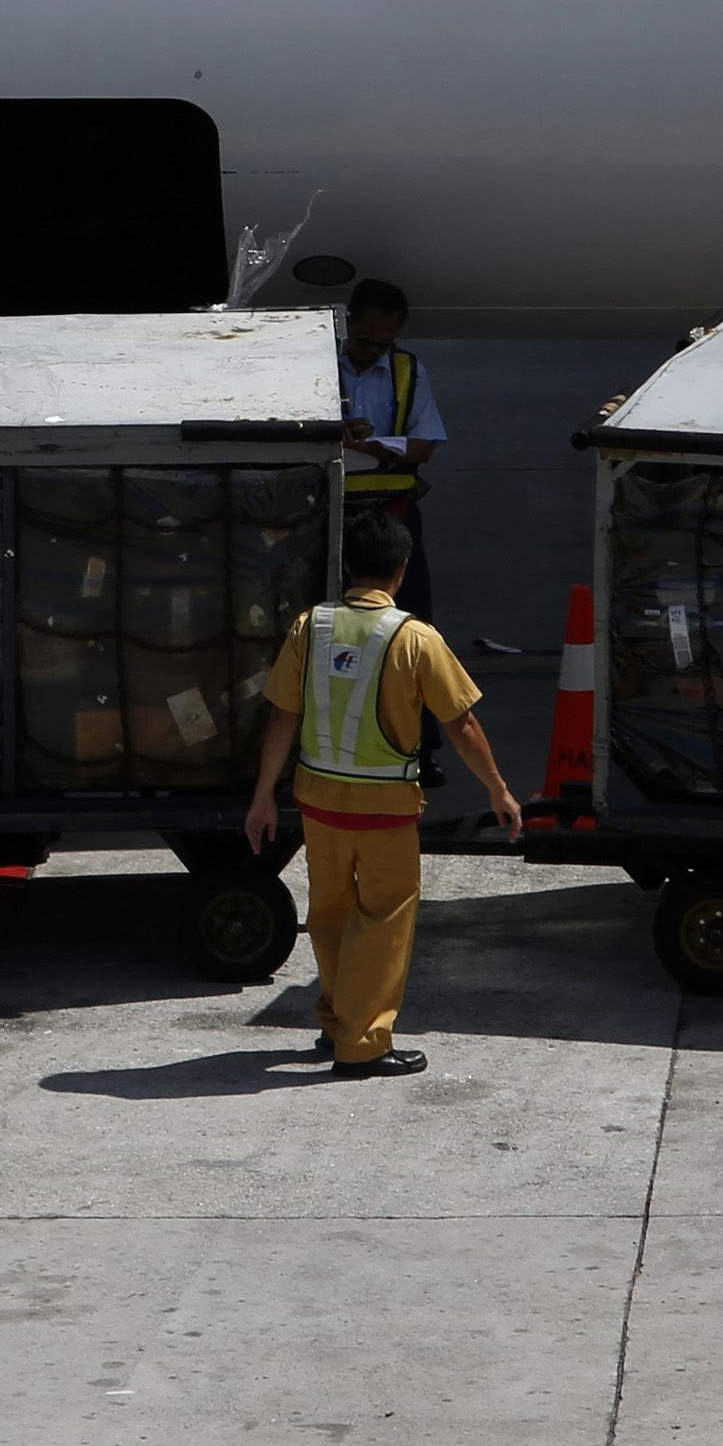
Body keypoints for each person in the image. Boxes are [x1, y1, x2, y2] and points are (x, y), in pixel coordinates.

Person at [243, 506, 520, 1078]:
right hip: (385, 808)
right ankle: (364, 1044)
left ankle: (340, 1023)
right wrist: (498, 789)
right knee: (384, 919)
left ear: (349, 567)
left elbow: (281, 719)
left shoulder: (310, 627)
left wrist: (263, 796)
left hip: (317, 800)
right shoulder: (416, 639)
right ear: (400, 572)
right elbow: (461, 725)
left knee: (331, 913)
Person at [336, 278, 447, 618]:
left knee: (405, 615)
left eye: (383, 343)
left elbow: (425, 445)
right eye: (366, 339)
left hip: (392, 513)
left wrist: (378, 448)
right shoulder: (318, 365)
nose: (373, 350)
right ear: (348, 323)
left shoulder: (409, 371)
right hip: (331, 513)